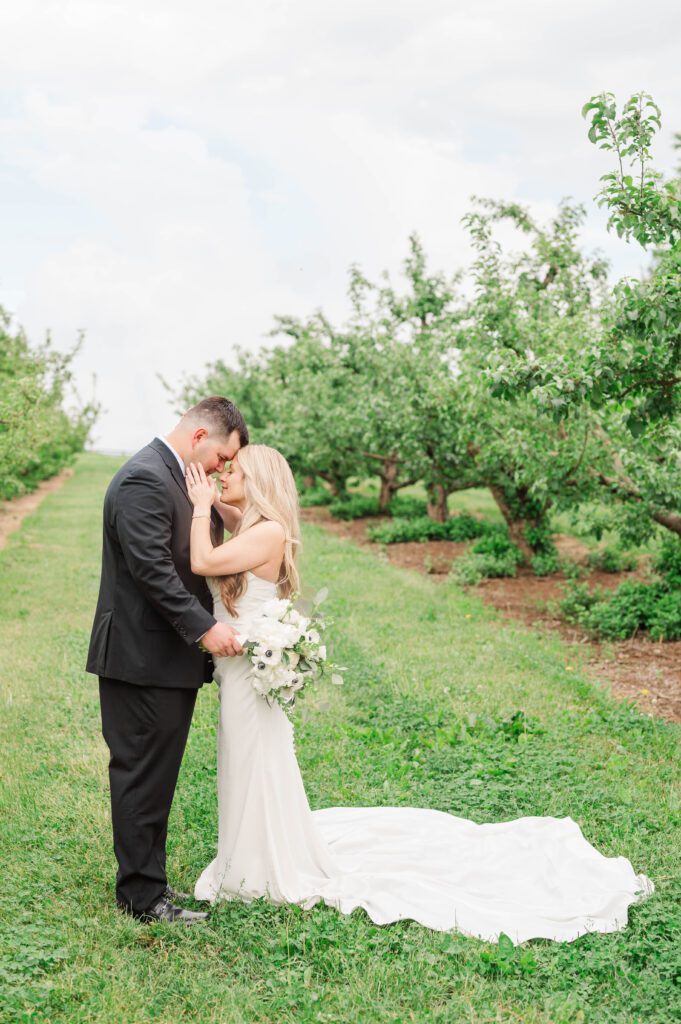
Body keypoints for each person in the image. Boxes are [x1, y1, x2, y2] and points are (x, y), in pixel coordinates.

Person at [184, 445, 654, 944]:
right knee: (250, 761)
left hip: (245, 669)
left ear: (259, 480)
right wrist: (218, 504)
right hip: (241, 668)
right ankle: (255, 851)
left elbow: (202, 559)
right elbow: (237, 522)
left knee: (254, 758)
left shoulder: (268, 533)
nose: (224, 475)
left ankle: (261, 864)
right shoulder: (258, 527)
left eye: (236, 470)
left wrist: (197, 504)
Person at [86, 396, 248, 924]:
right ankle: (141, 898)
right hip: (141, 657)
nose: (224, 469)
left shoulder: (177, 477)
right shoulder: (144, 479)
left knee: (157, 774)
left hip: (162, 657)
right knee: (140, 773)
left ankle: (149, 884)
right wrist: (206, 630)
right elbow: (153, 571)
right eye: (223, 458)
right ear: (200, 438)